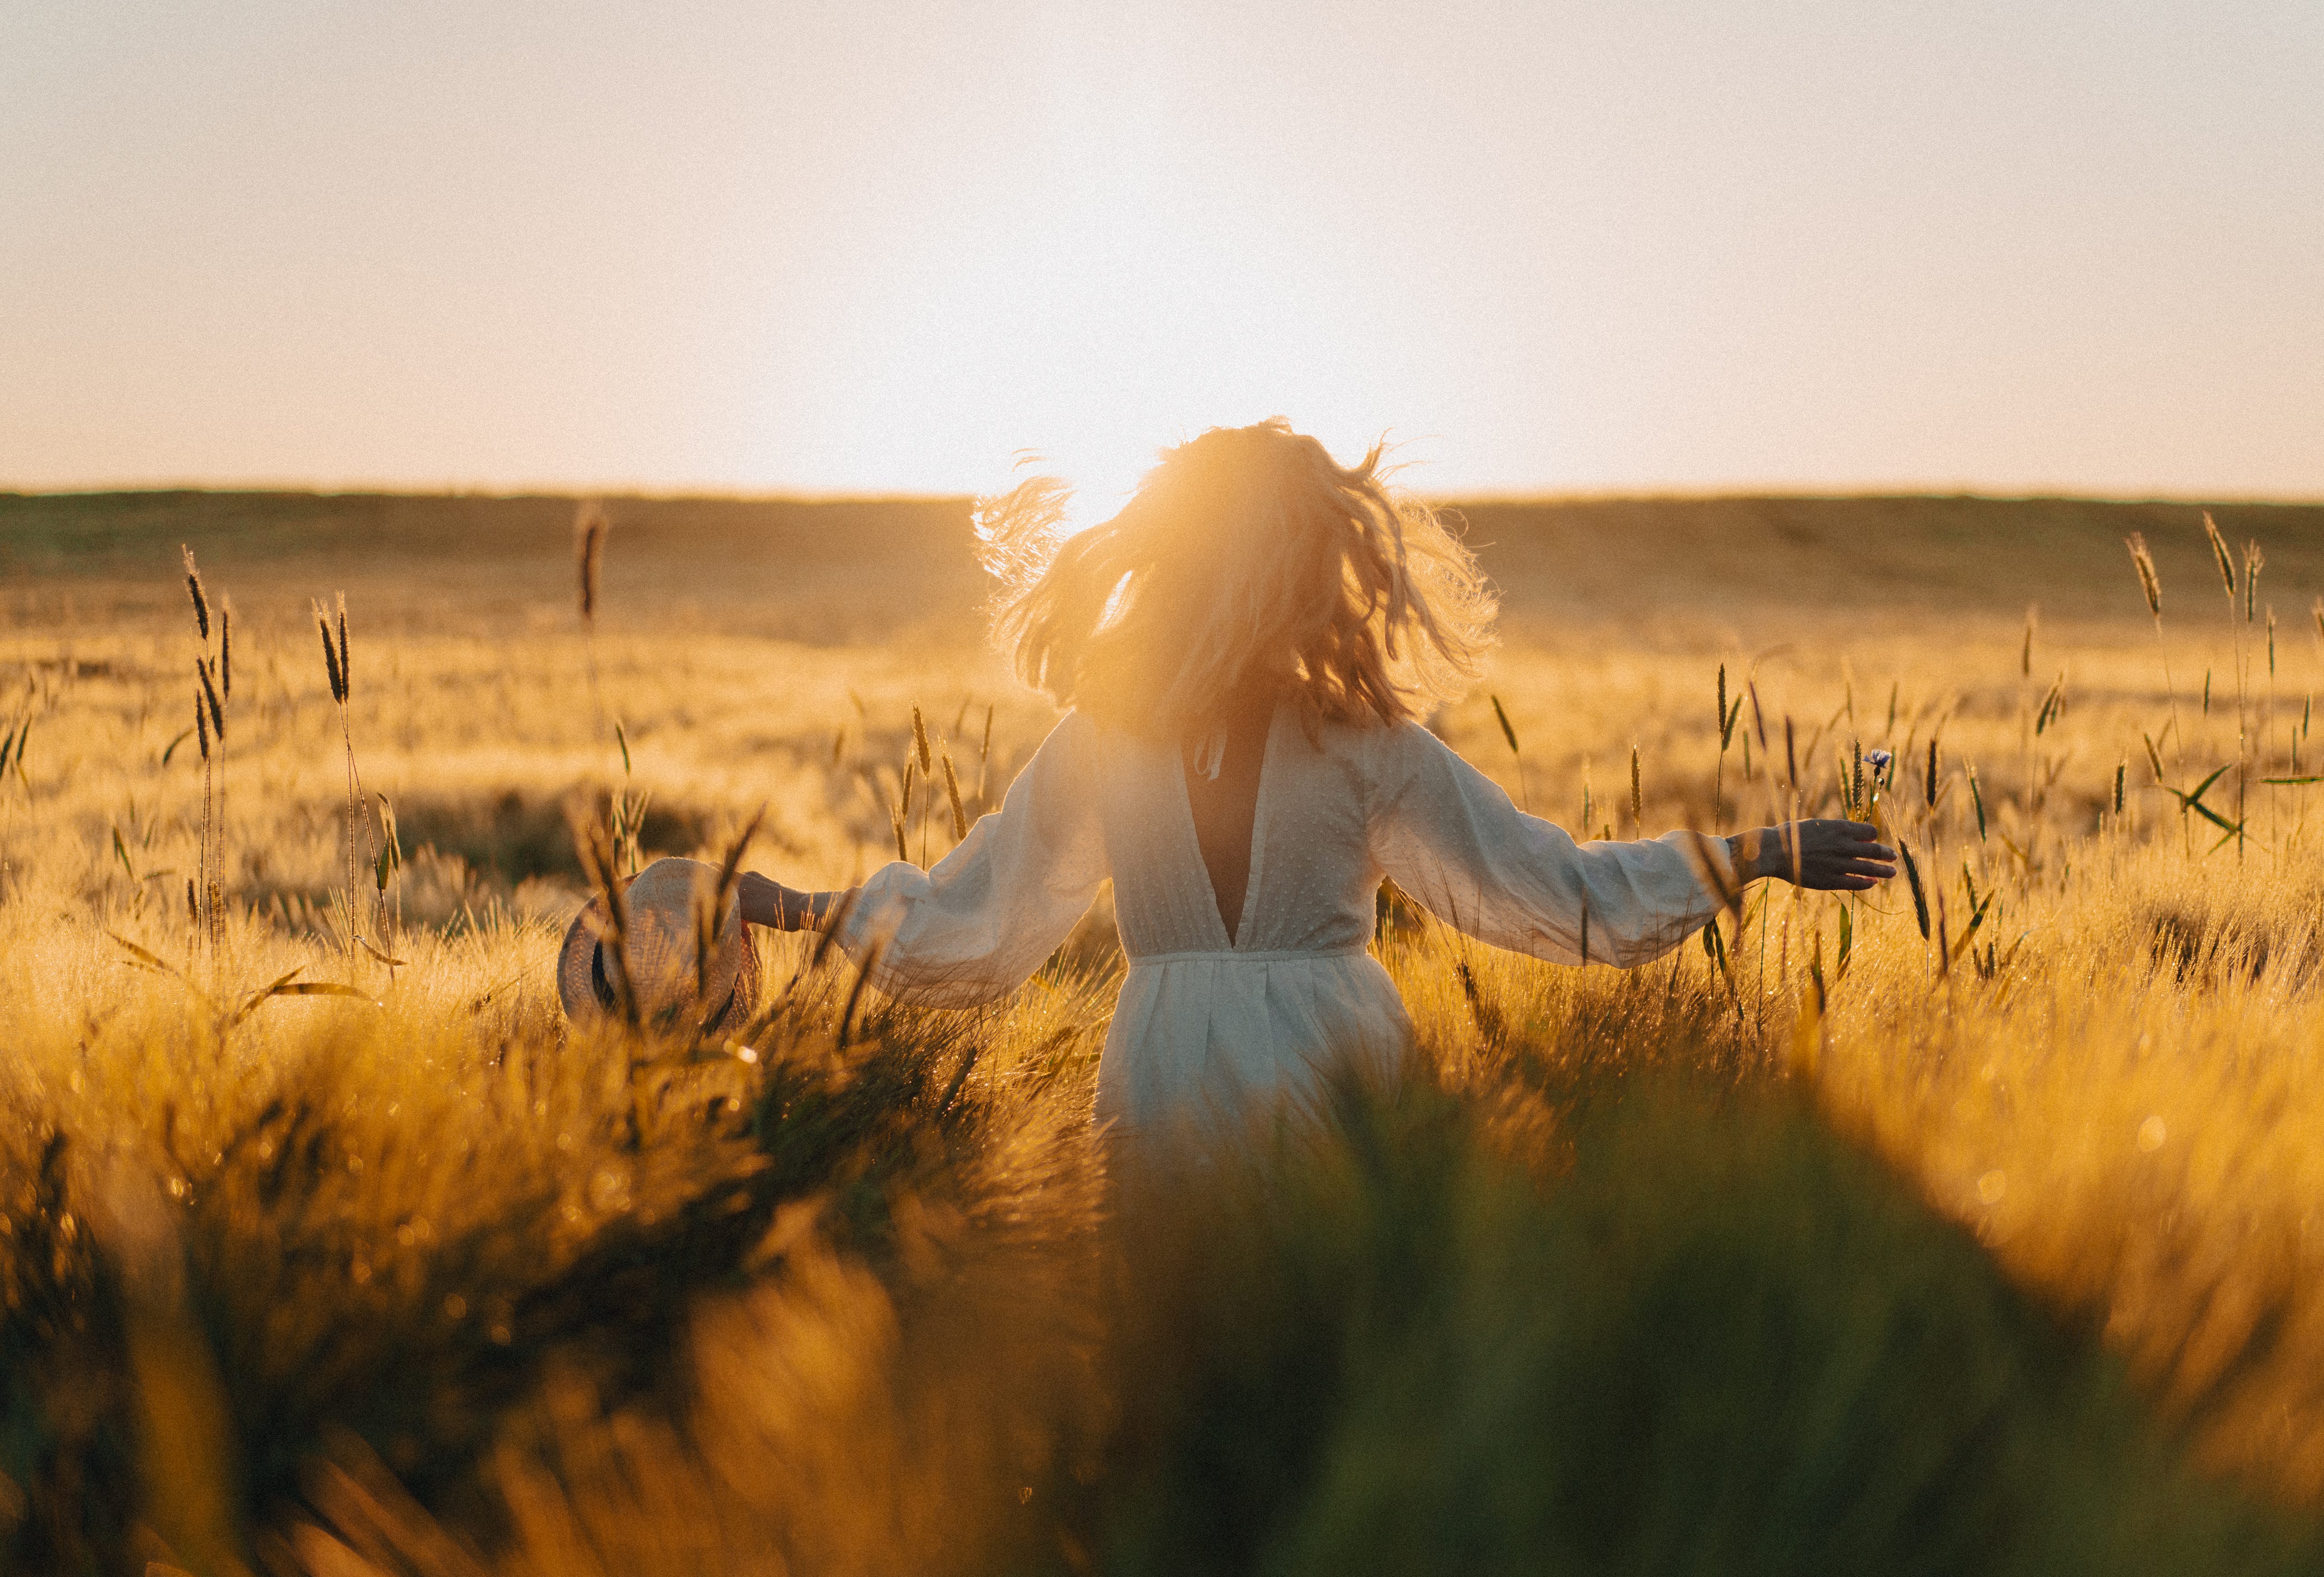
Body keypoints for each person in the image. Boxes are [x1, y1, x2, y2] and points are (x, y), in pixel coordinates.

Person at [735, 420, 1893, 1137]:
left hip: (1220, 1083)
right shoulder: (1152, 741)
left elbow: (1545, 889)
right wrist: (770, 906)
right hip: (1268, 1086)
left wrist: (1763, 853)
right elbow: (970, 917)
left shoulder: (1296, 742)